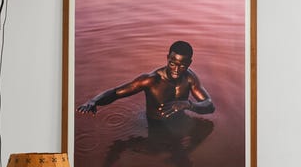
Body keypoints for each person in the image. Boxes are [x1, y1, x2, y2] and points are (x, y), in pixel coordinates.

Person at [77, 40, 215, 123]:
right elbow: (117, 92)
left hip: (179, 122)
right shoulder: (151, 80)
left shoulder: (190, 78)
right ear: (168, 58)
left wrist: (188, 104)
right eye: (172, 63)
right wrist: (94, 101)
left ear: (189, 63)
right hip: (156, 124)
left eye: (182, 65)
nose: (176, 69)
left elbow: (209, 106)